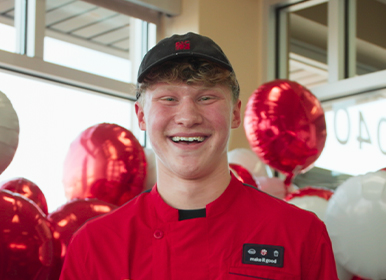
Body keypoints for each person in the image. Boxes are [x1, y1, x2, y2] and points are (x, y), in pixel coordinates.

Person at [59, 32, 339, 280]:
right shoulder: (94, 246)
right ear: (142, 116)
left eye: (206, 97)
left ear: (234, 113)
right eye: (168, 98)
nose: (188, 117)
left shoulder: (300, 234)